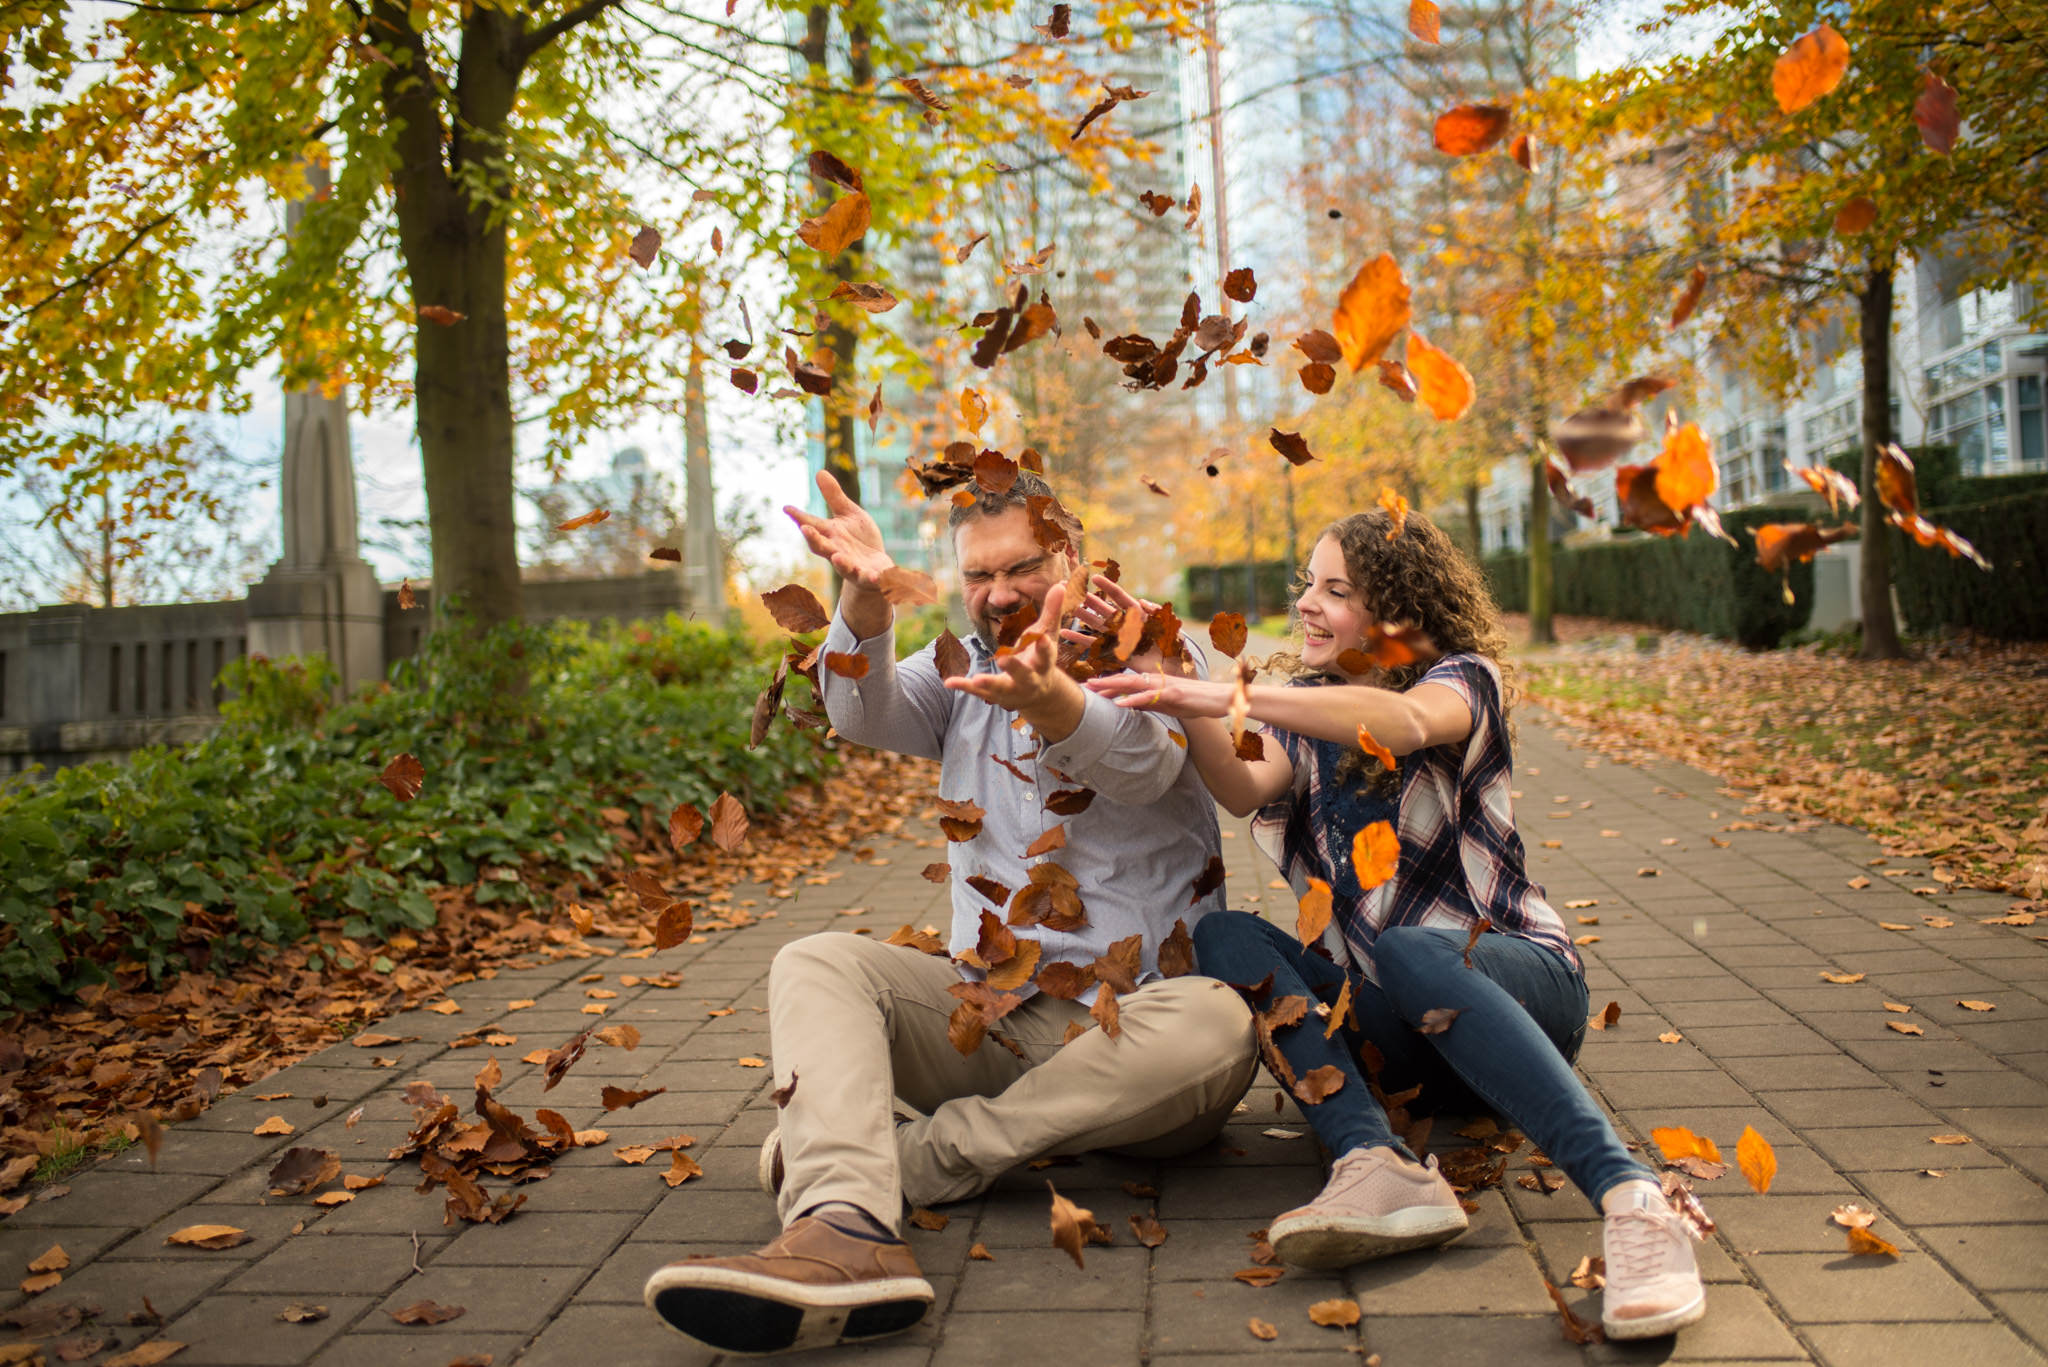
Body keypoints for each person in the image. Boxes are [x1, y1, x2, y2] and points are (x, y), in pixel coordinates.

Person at [643, 468, 1258, 1356]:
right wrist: (862, 591)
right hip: (992, 1023)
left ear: (1073, 555)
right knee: (815, 961)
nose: (999, 593)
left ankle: (900, 1161)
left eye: (1022, 567)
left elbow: (1144, 764)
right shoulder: (960, 663)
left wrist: (1054, 704)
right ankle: (844, 1228)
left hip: (1139, 1050)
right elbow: (861, 711)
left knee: (1220, 1022)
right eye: (978, 574)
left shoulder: (1152, 641)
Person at [1083, 507, 1708, 1342]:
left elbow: (1406, 725)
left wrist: (1216, 687)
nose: (1308, 602)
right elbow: (1240, 786)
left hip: (1518, 985)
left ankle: (1635, 1198)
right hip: (1402, 1036)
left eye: (1336, 589)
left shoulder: (1460, 678)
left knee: (1414, 950)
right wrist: (1169, 675)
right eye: (1308, 581)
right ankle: (1372, 1162)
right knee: (1226, 936)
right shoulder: (1300, 711)